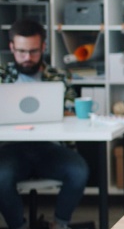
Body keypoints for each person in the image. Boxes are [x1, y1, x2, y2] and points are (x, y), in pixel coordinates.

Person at [0, 19, 89, 229]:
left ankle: (59, 224)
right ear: (12, 47)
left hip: (49, 148)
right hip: (10, 149)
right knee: (1, 176)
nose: (27, 58)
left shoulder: (58, 77)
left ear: (43, 47)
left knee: (79, 171)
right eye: (21, 51)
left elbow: (72, 111)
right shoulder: (2, 76)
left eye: (33, 51)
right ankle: (18, 226)